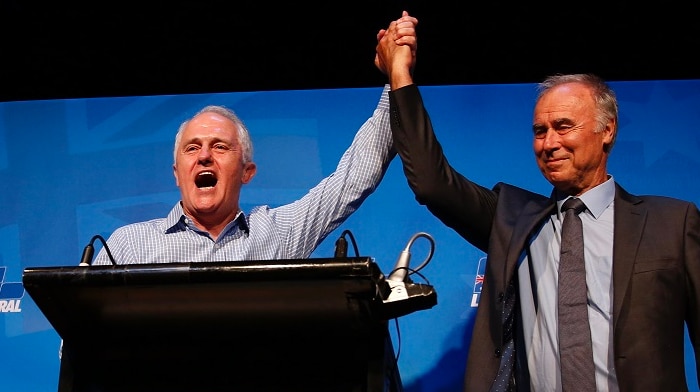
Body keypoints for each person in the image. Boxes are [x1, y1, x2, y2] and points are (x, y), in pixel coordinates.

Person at [375, 14, 700, 392]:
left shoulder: (672, 223)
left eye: (563, 127)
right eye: (539, 131)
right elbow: (432, 183)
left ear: (607, 129)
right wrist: (400, 74)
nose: (549, 143)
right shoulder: (512, 221)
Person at [91, 14, 417, 266]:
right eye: (192, 148)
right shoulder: (128, 246)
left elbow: (354, 177)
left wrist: (396, 76)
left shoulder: (275, 234)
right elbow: (84, 336)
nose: (204, 155)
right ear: (177, 172)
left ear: (247, 171)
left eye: (220, 146)